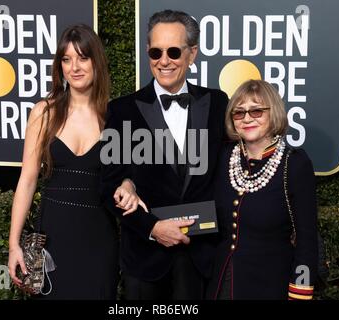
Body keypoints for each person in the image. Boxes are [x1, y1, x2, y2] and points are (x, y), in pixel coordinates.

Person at [100, 10, 228, 299]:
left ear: (192, 54)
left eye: (173, 51)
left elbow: (238, 162)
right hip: (145, 261)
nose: (164, 61)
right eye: (156, 52)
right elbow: (109, 186)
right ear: (148, 52)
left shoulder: (217, 104)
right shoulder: (122, 111)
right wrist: (153, 227)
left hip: (200, 260)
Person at [8, 24, 141, 299]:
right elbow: (28, 179)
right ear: (59, 66)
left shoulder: (114, 116)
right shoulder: (44, 112)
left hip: (99, 240)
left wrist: (129, 185)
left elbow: (125, 176)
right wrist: (13, 245)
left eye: (83, 58)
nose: (75, 67)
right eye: (66, 59)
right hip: (53, 237)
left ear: (97, 62)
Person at [206, 79, 318, 300]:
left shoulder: (294, 163)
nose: (247, 118)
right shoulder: (224, 156)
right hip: (220, 285)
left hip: (270, 287)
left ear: (272, 113)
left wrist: (300, 293)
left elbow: (307, 240)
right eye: (239, 113)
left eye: (256, 111)